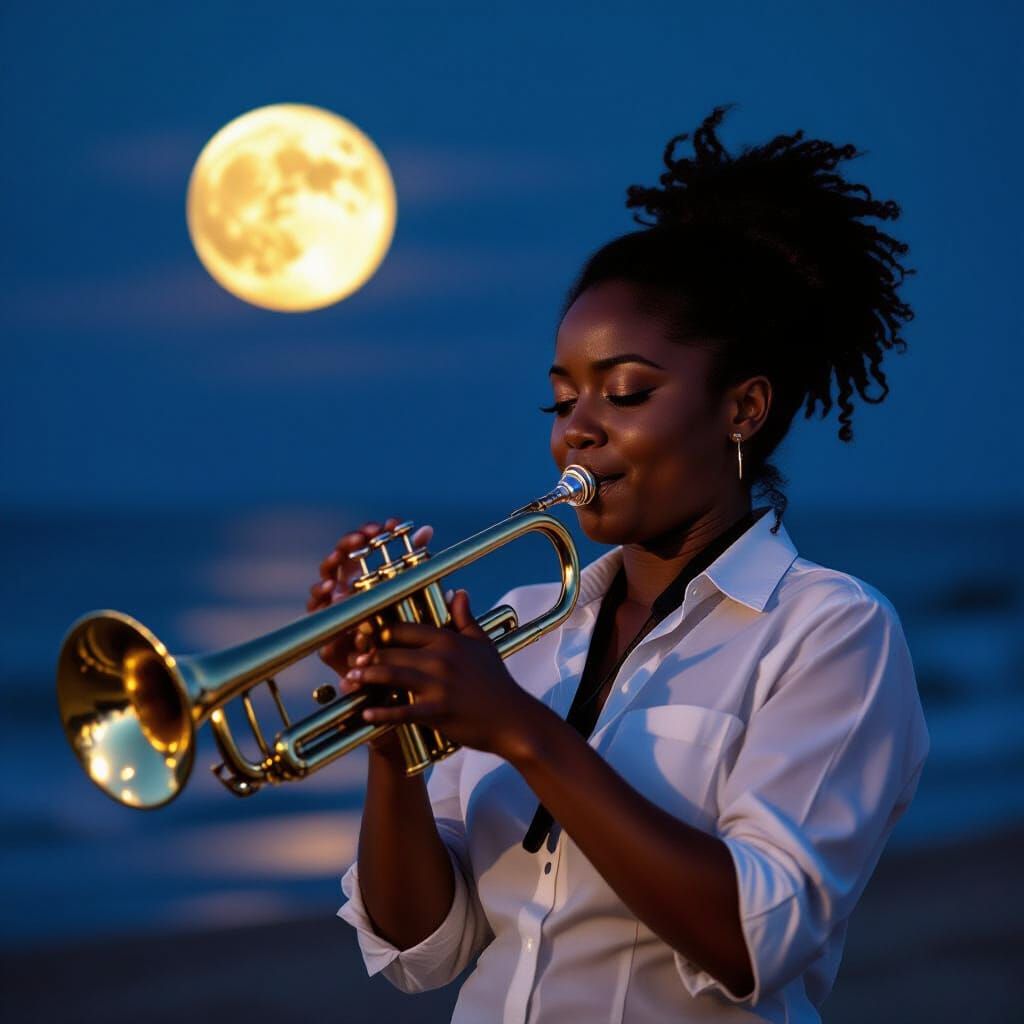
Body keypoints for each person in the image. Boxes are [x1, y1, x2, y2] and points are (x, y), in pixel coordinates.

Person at [308, 104, 930, 1023]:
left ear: (743, 410)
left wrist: (520, 729)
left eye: (626, 392)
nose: (579, 429)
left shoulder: (831, 632)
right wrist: (395, 725)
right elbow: (421, 949)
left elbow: (756, 941)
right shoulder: (528, 622)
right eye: (560, 402)